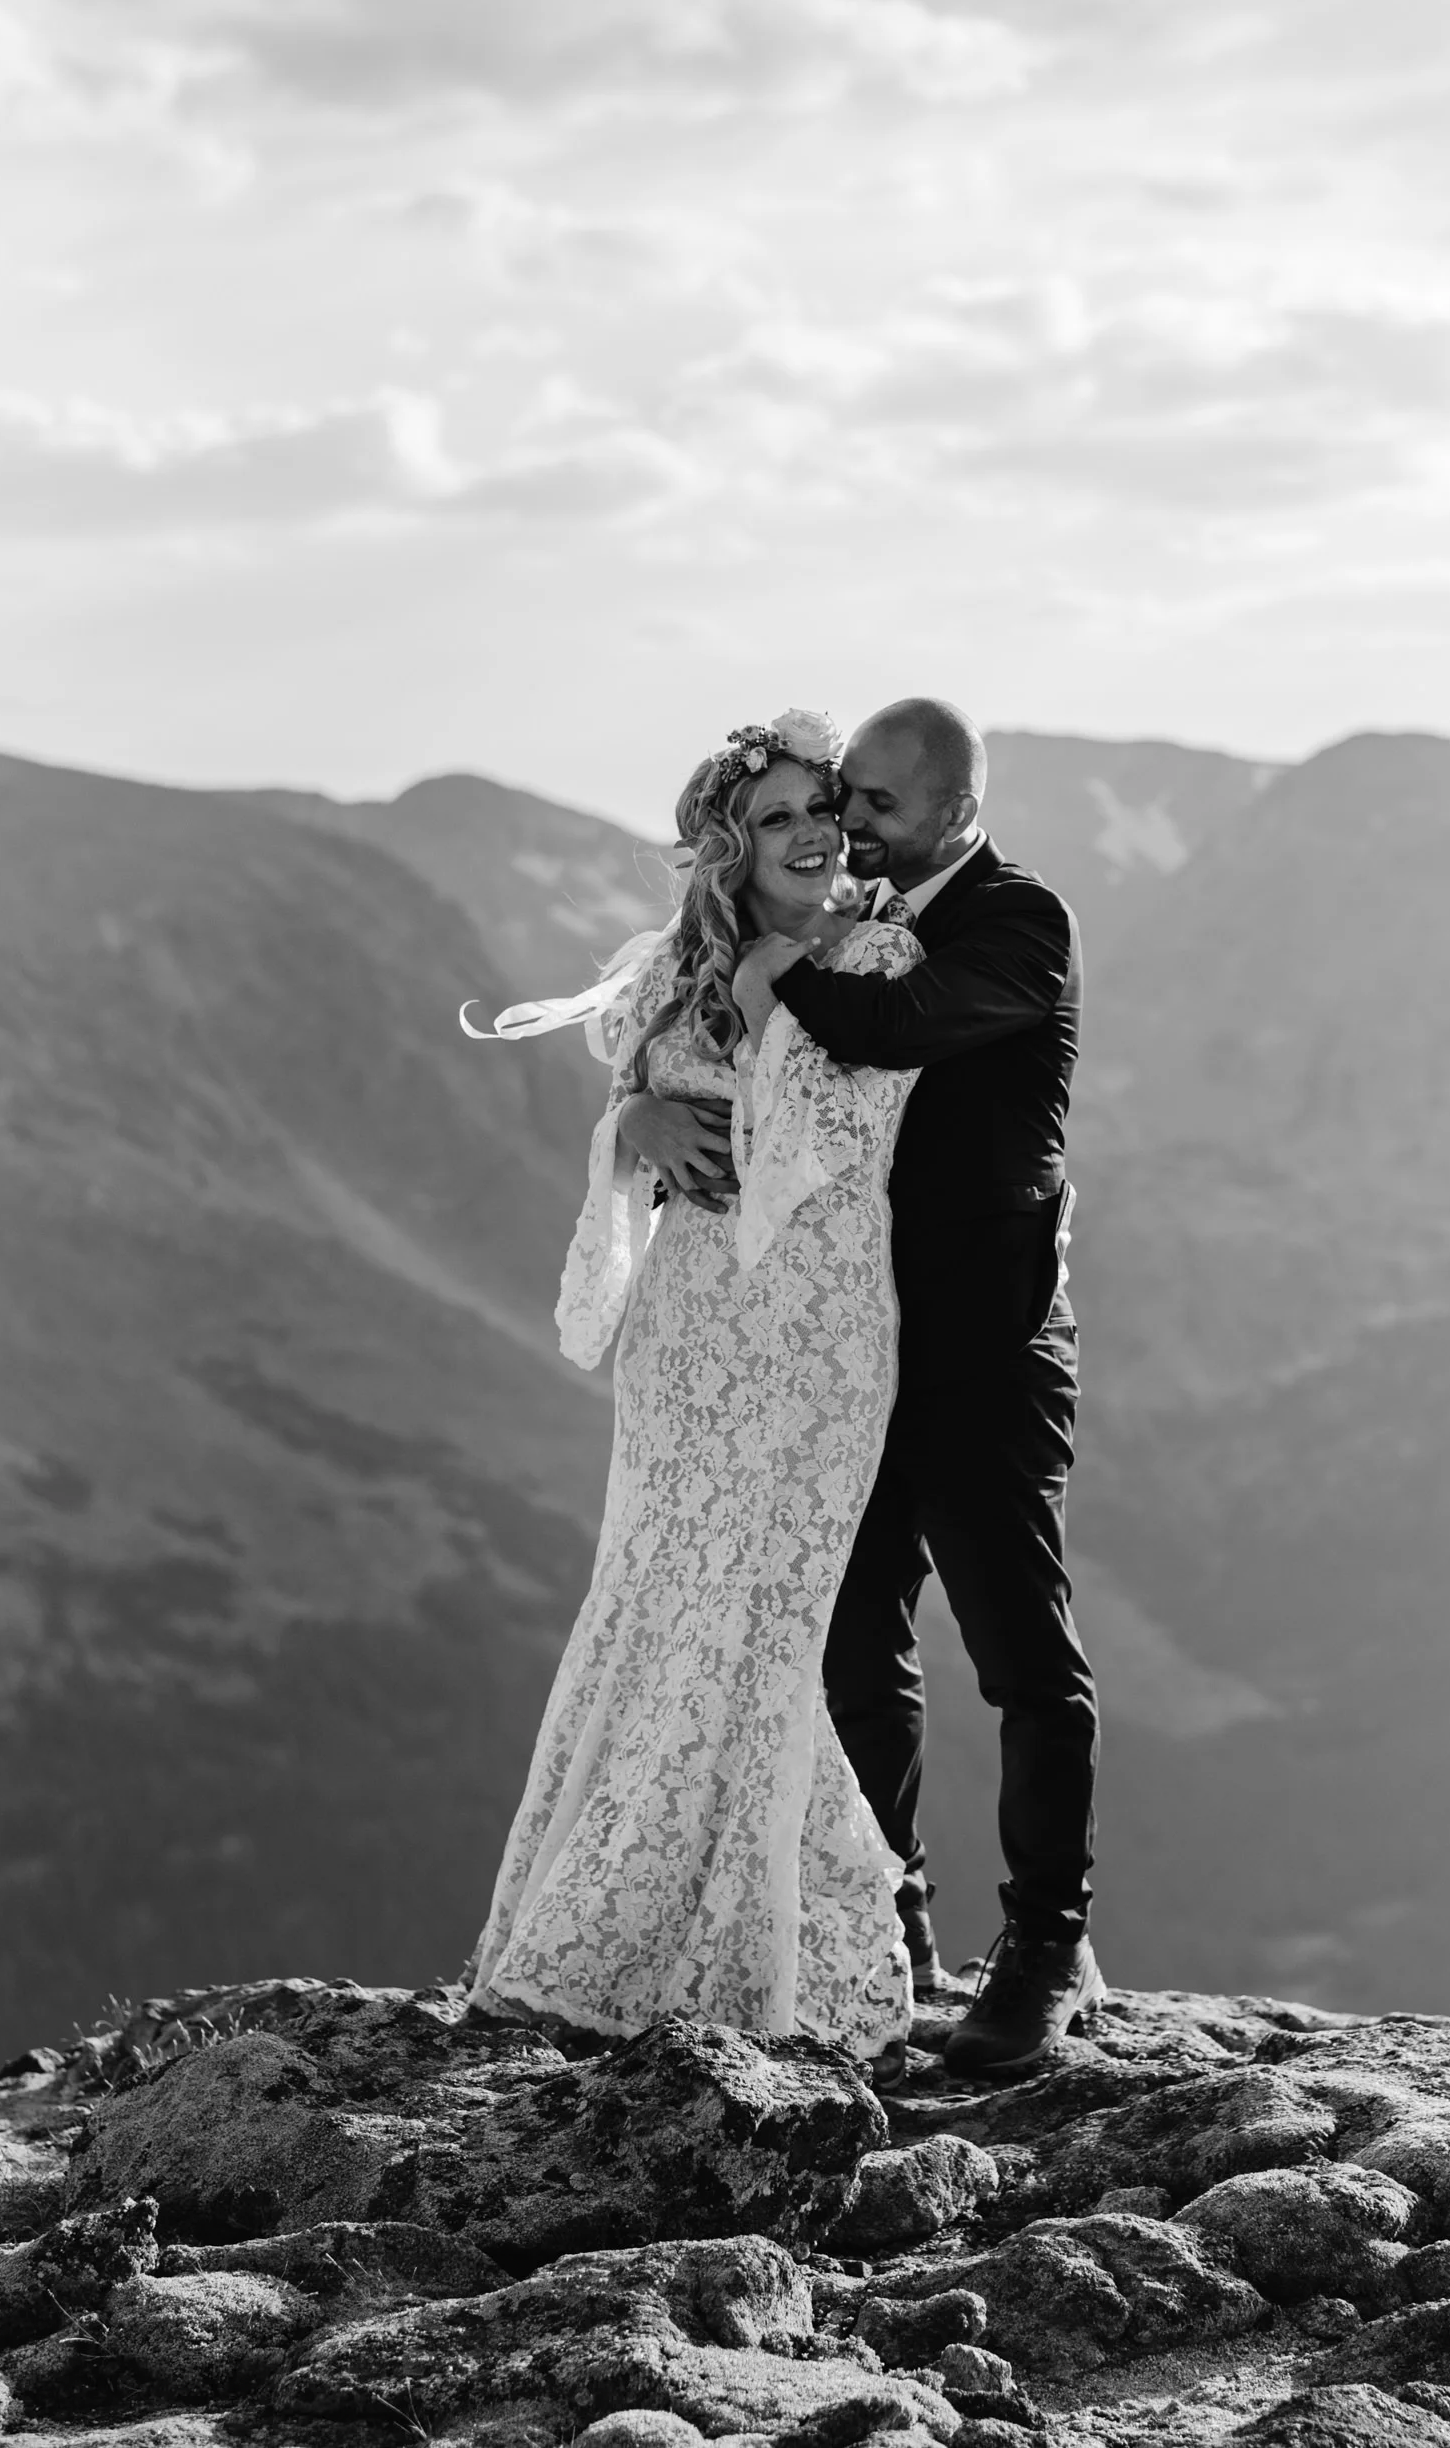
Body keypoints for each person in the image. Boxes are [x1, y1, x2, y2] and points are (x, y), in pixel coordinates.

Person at [460, 709, 923, 2070]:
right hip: (688, 1340)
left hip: (819, 1334)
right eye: (776, 817)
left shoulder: (881, 953)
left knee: (764, 1622)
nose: (810, 835)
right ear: (731, 840)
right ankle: (608, 1934)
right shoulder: (677, 968)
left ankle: (784, 1944)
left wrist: (783, 972)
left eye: (823, 809)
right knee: (658, 1595)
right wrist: (635, 1129)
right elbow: (640, 1135)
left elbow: (833, 1139)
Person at [717, 697, 1103, 2079]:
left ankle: (1045, 1952)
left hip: (988, 1355)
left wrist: (791, 960)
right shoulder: (859, 910)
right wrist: (655, 1107)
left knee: (1020, 1657)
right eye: (840, 801)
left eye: (872, 804)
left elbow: (903, 1028)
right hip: (855, 1355)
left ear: (952, 804)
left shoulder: (1018, 920)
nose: (846, 826)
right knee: (857, 1641)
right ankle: (896, 1932)